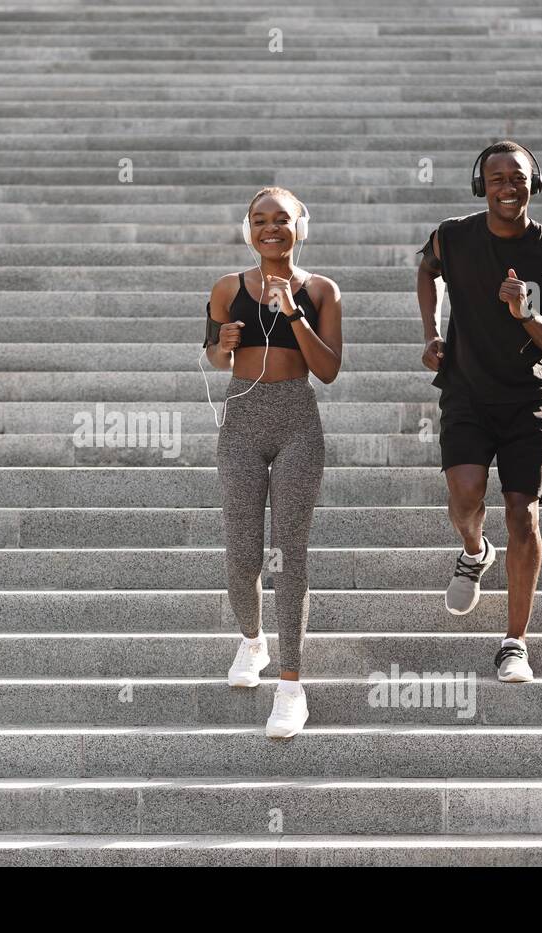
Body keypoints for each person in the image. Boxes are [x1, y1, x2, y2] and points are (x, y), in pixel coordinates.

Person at [415, 141, 542, 682]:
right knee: (464, 496)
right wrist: (432, 333)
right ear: (479, 184)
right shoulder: (452, 235)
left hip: (526, 398)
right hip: (465, 389)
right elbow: (426, 270)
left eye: (518, 178)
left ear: (535, 183)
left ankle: (514, 642)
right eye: (496, 178)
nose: (507, 187)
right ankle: (473, 551)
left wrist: (524, 311)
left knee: (522, 514)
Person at [203, 187, 342, 737]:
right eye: (260, 220)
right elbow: (214, 356)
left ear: (300, 227)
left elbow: (328, 370)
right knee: (242, 552)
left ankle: (290, 685)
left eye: (281, 219)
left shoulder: (322, 290)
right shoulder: (225, 289)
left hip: (297, 423)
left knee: (291, 551)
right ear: (248, 230)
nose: (271, 229)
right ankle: (252, 641)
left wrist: (295, 316)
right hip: (241, 421)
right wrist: (224, 345)